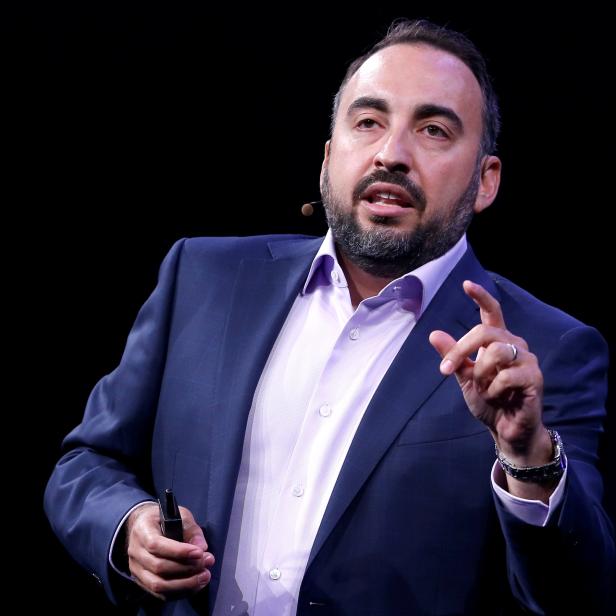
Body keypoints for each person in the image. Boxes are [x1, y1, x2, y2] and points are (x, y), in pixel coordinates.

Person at [45, 18, 615, 615]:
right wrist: (127, 527)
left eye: (434, 130)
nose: (391, 154)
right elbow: (85, 464)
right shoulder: (203, 277)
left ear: (485, 181)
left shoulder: (544, 350)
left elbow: (578, 598)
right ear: (327, 157)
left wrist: (527, 456)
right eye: (368, 122)